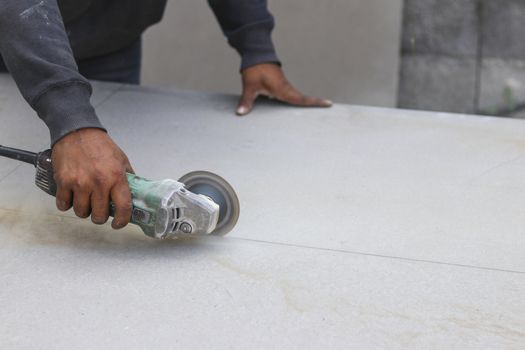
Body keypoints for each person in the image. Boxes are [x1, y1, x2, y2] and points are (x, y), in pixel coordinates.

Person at [0, 0, 331, 230]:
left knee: (102, 175)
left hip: (111, 40)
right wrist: (72, 121)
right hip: (12, 35)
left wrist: (256, 47)